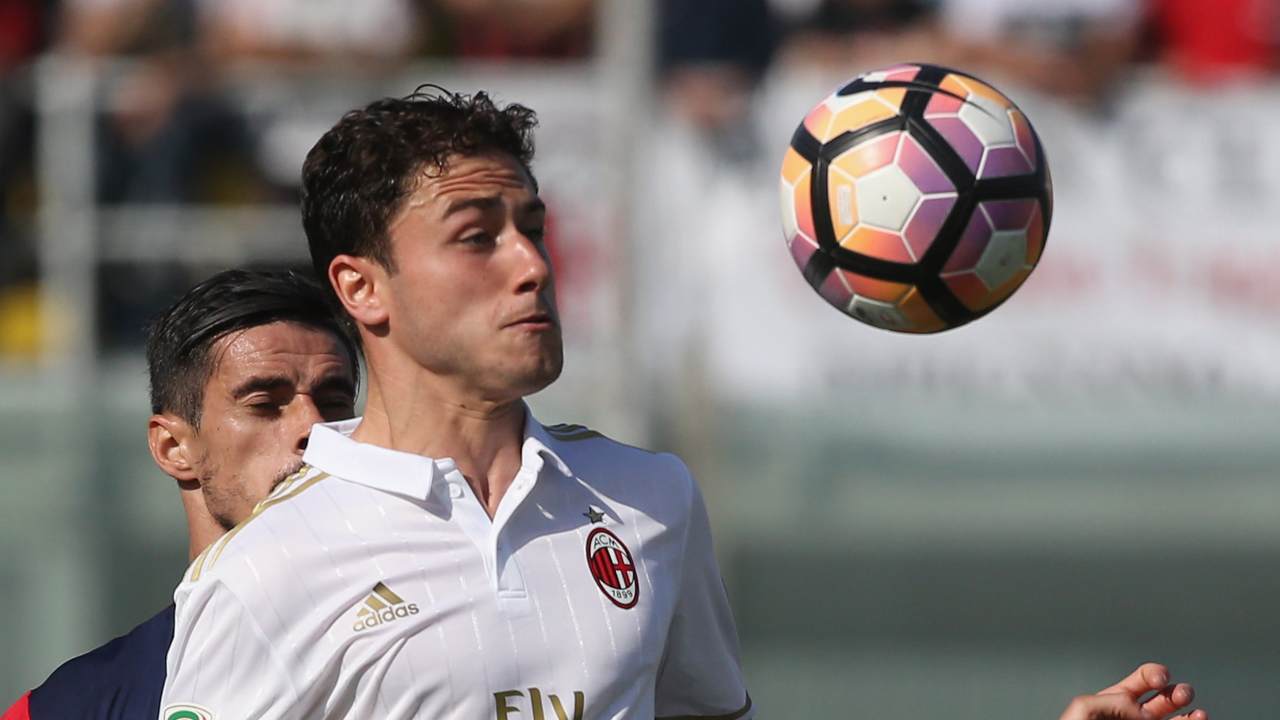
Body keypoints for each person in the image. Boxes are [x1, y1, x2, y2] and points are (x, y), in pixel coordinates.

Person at [157, 88, 1206, 720]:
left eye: (533, 223)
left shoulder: (647, 499)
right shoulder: (266, 571)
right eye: (476, 234)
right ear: (361, 288)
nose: (530, 263)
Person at [0, 269, 358, 720]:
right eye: (265, 403)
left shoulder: (448, 643)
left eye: (336, 402)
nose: (315, 428)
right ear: (174, 448)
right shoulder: (71, 707)